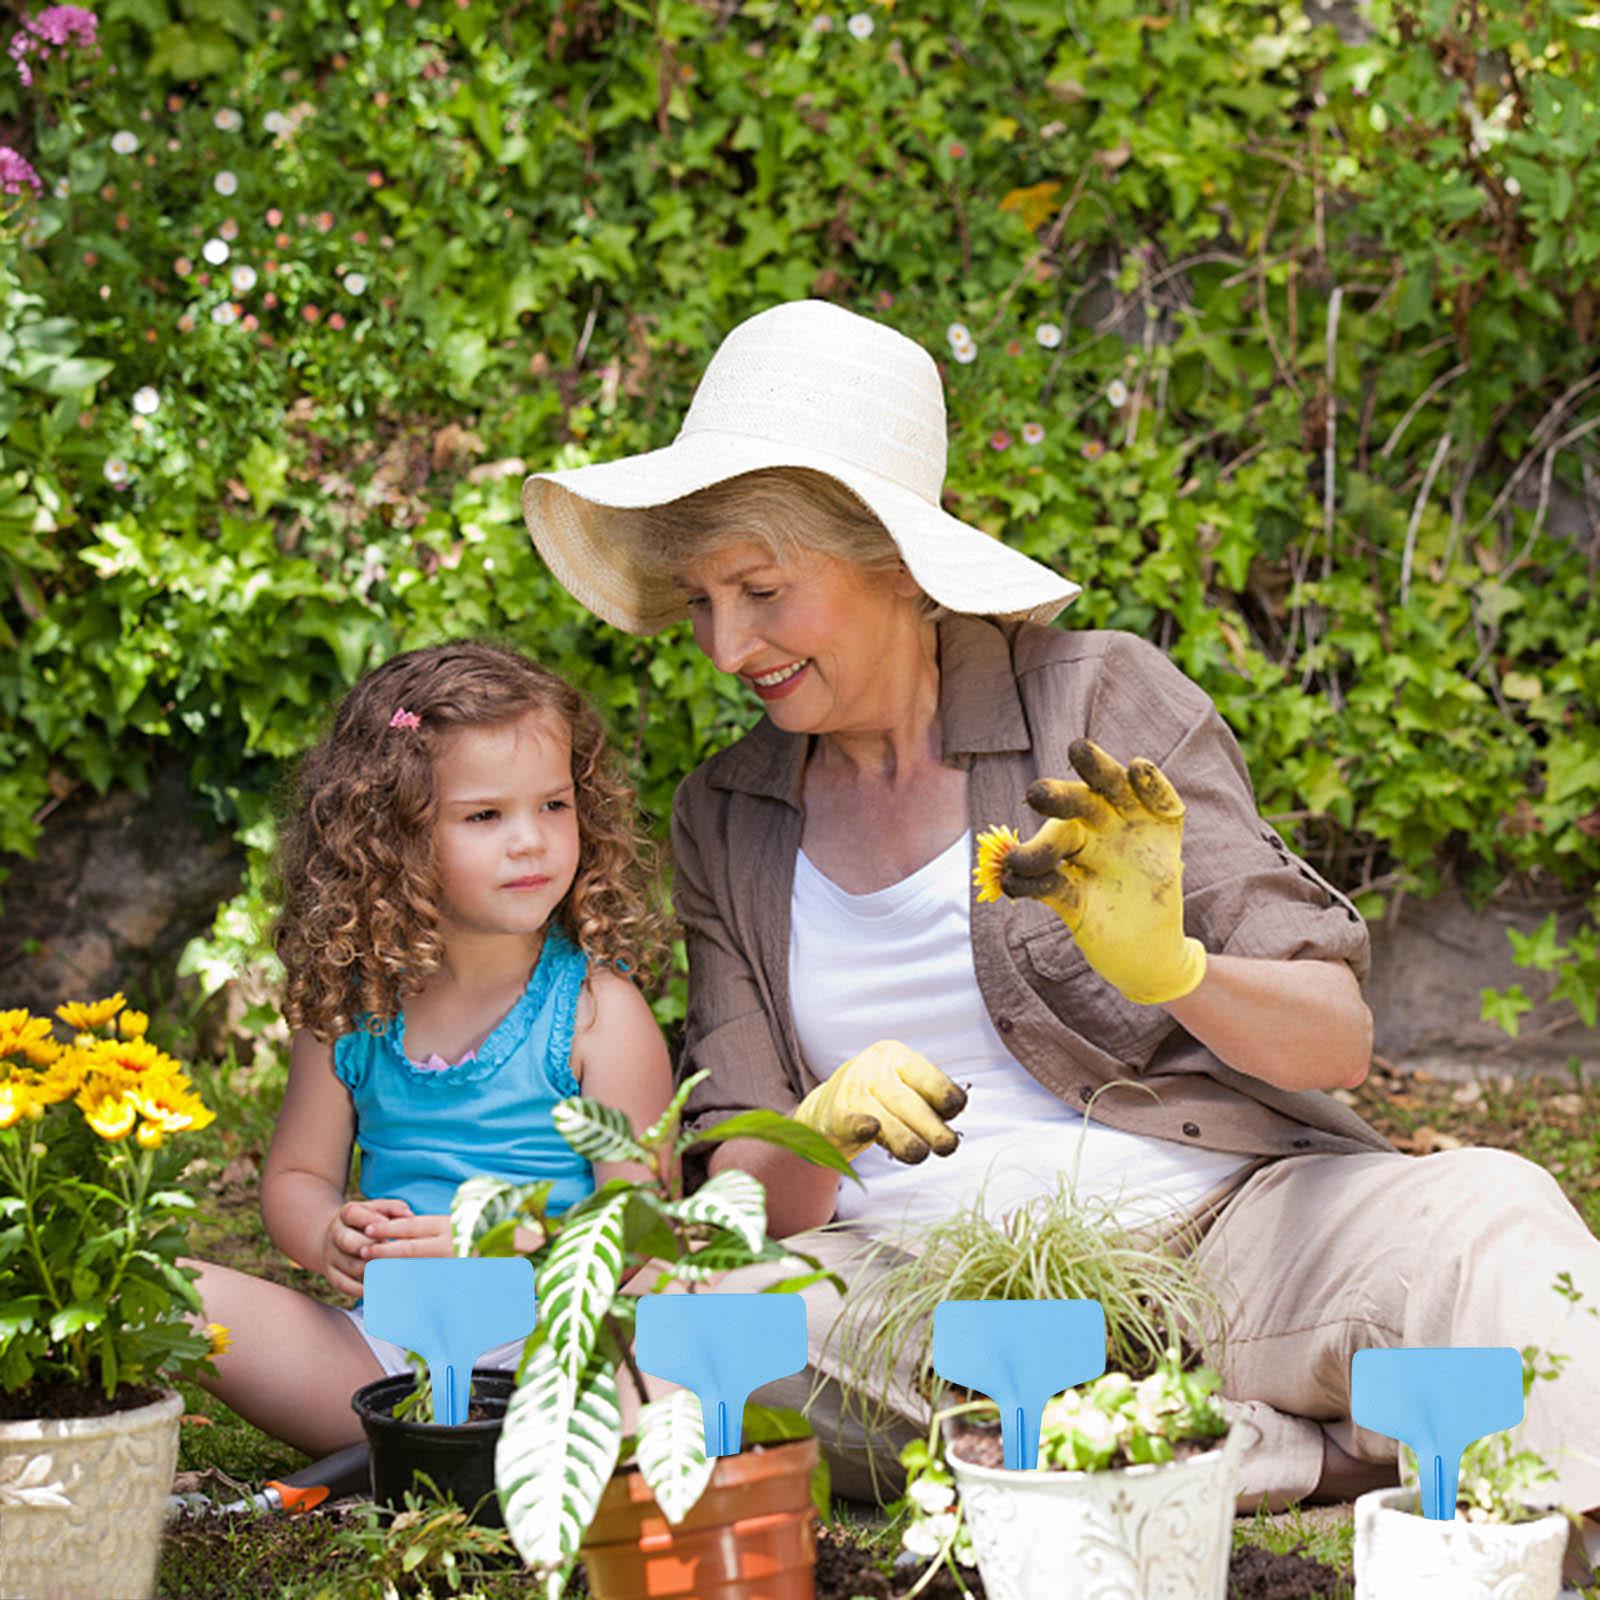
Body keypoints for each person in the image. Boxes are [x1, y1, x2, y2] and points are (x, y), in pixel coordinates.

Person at [518, 299, 1600, 1575]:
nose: (726, 645)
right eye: (701, 601)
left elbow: (1336, 1039)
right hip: (920, 1299)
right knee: (691, 1320)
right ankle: (1276, 1448)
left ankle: (1163, 1450)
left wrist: (1176, 970)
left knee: (1490, 1213)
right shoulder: (729, 814)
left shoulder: (1092, 698)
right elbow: (752, 1198)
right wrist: (817, 1123)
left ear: (898, 562)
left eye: (761, 590)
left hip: (1224, 1247)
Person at [179, 640, 675, 1457]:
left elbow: (648, 1224)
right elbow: (298, 1176)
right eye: (485, 816)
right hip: (384, 1361)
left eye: (554, 805)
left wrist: (517, 1238)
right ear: (392, 836)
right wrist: (330, 1231)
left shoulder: (594, 1014)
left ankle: (540, 1450)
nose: (532, 841)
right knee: (179, 1293)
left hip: (561, 1355)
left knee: (675, 1293)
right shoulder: (352, 1007)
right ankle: (438, 1444)